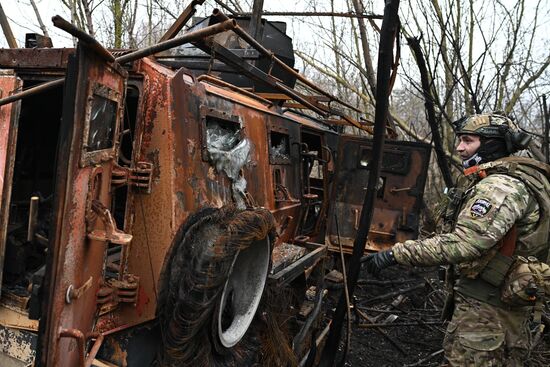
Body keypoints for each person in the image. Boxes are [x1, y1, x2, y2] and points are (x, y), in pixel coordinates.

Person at [364, 113, 550, 366]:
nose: (460, 148)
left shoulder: (501, 187)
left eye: (468, 141)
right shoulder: (510, 179)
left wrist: (395, 254)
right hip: (494, 305)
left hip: (488, 311)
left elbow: (466, 243)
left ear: (491, 144)